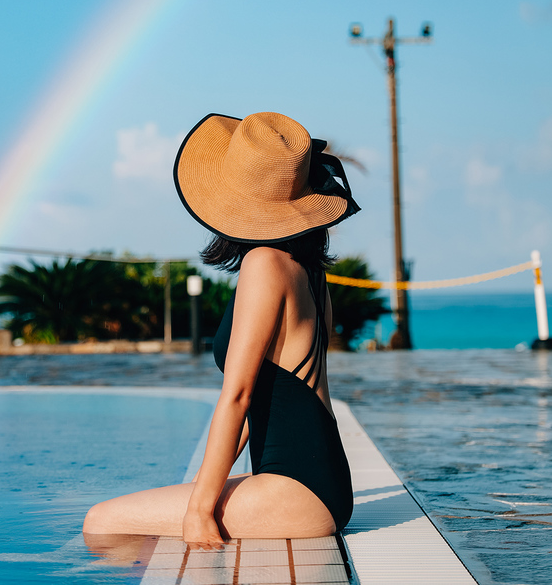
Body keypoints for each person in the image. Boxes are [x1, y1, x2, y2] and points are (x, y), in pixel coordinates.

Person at [83, 112, 360, 546]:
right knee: (156, 519)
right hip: (325, 483)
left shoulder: (263, 264)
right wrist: (201, 492)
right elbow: (267, 399)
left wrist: (198, 510)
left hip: (297, 492)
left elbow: (238, 394)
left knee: (102, 523)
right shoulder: (306, 272)